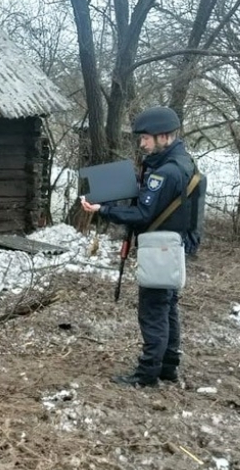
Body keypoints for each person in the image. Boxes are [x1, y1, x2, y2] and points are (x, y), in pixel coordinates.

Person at [80, 106, 198, 387]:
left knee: (153, 311)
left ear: (164, 136)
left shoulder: (165, 173)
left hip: (160, 249)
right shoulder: (183, 161)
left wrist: (102, 209)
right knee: (167, 308)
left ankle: (147, 375)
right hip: (172, 247)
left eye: (146, 138)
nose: (142, 143)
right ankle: (168, 367)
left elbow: (143, 214)